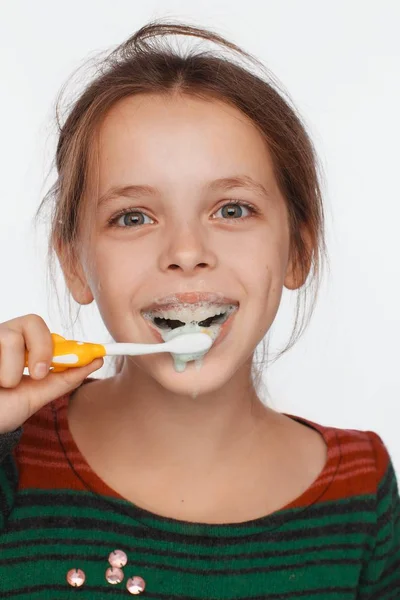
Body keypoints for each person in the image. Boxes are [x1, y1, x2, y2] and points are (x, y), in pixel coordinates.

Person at [0, 20, 398, 599]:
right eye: (133, 217)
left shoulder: (360, 492)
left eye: (232, 210)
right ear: (74, 264)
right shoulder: (10, 461)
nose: (186, 253)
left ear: (298, 251)